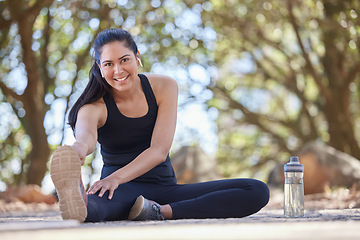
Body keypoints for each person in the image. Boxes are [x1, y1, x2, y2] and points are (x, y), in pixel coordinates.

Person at [50, 28, 270, 223]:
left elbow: (158, 151)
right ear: (99, 67)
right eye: (108, 64)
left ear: (137, 58)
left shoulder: (163, 86)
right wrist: (77, 150)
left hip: (164, 189)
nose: (118, 70)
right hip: (117, 191)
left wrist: (116, 176)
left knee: (256, 190)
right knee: (92, 209)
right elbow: (86, 137)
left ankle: (158, 211)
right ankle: (79, 200)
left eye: (124, 60)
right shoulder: (93, 107)